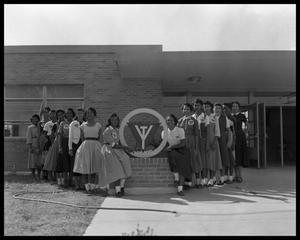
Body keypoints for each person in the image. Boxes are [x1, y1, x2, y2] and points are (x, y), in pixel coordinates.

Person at [73, 107, 105, 194]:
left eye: (91, 113)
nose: (89, 114)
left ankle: (93, 187)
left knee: (95, 168)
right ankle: (88, 188)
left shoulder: (98, 125)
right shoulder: (82, 126)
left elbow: (100, 138)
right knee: (85, 168)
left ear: (94, 114)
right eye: (87, 113)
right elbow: (82, 138)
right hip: (86, 146)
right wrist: (87, 145)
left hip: (96, 146)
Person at [101, 113, 132, 197]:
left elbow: (119, 142)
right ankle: (116, 190)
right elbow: (113, 144)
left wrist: (127, 149)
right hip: (109, 151)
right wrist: (125, 147)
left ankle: (121, 187)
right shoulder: (107, 130)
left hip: (118, 151)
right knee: (117, 170)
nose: (115, 121)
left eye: (116, 120)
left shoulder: (118, 130)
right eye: (113, 120)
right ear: (110, 121)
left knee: (125, 165)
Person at [162, 114, 192, 196]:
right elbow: (164, 144)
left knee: (182, 167)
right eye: (167, 120)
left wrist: (172, 146)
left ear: (175, 122)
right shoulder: (163, 132)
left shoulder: (180, 130)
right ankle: (176, 177)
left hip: (182, 150)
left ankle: (180, 189)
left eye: (171, 120)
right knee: (172, 157)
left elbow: (183, 143)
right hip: (172, 151)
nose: (169, 122)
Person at [177, 103, 200, 189]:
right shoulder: (179, 121)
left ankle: (189, 182)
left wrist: (196, 147)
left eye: (187, 109)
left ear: (190, 110)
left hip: (191, 142)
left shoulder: (194, 121)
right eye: (184, 109)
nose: (185, 110)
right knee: (184, 163)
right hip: (182, 143)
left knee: (191, 162)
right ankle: (183, 182)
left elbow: (197, 135)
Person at [43, 109, 65, 184]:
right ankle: (51, 176)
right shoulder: (56, 124)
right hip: (56, 143)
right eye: (58, 115)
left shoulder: (66, 123)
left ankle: (61, 178)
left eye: (61, 114)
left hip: (65, 142)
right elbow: (51, 135)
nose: (60, 116)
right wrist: (53, 144)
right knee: (53, 160)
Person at [204, 101, 222, 186]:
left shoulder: (214, 117)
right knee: (205, 161)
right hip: (204, 141)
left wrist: (214, 141)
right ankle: (204, 179)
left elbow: (217, 131)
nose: (206, 108)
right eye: (205, 107)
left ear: (211, 108)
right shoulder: (201, 117)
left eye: (208, 107)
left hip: (212, 141)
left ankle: (211, 179)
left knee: (213, 160)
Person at [57, 108, 76, 188]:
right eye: (67, 113)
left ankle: (71, 180)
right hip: (65, 142)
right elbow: (59, 135)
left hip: (73, 143)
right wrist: (60, 146)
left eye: (70, 113)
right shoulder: (62, 123)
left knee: (72, 162)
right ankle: (65, 180)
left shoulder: (75, 123)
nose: (69, 114)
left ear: (73, 114)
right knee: (65, 161)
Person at [68, 108, 86, 190]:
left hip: (83, 145)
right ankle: (76, 184)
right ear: (76, 114)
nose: (80, 115)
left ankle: (82, 184)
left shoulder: (86, 123)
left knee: (82, 164)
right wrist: (70, 148)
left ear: (84, 114)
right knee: (74, 164)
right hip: (75, 144)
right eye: (78, 113)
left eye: (81, 113)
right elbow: (70, 136)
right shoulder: (73, 123)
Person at [214, 103, 231, 185]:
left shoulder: (225, 118)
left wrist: (229, 142)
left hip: (223, 141)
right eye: (216, 108)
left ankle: (222, 178)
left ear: (221, 110)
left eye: (219, 108)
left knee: (223, 158)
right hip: (213, 140)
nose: (217, 110)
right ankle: (213, 178)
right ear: (213, 109)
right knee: (213, 158)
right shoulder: (210, 117)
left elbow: (229, 131)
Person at [231, 101, 248, 182]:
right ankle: (235, 175)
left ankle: (240, 176)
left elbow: (247, 125)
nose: (234, 107)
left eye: (236, 106)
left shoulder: (242, 116)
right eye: (233, 106)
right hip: (232, 137)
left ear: (238, 107)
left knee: (239, 156)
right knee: (234, 157)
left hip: (240, 137)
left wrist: (246, 132)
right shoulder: (229, 116)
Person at [192, 98, 207, 188]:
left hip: (203, 141)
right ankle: (197, 181)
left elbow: (209, 131)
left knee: (203, 161)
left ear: (201, 106)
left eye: (197, 105)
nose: (196, 107)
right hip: (194, 142)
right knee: (196, 160)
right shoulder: (192, 117)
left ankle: (203, 181)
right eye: (194, 105)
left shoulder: (206, 116)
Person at [41, 110, 57, 181]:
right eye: (50, 114)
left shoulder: (58, 123)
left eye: (53, 114)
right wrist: (49, 141)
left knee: (55, 160)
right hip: (49, 142)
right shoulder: (47, 124)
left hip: (57, 141)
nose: (52, 116)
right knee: (48, 160)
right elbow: (44, 134)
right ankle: (48, 175)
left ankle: (55, 176)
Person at [26, 114, 42, 181]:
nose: (35, 120)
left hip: (40, 145)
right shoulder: (30, 128)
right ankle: (33, 175)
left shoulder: (40, 127)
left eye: (36, 118)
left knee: (39, 161)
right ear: (32, 120)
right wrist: (30, 147)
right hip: (33, 144)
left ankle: (39, 175)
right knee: (32, 161)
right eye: (33, 119)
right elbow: (28, 137)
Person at [223, 103, 236, 183]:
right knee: (225, 160)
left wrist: (231, 143)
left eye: (225, 108)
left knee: (231, 160)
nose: (224, 110)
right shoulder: (220, 118)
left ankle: (231, 176)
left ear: (229, 110)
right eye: (223, 108)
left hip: (230, 141)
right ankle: (225, 176)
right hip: (223, 140)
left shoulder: (232, 119)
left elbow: (233, 132)